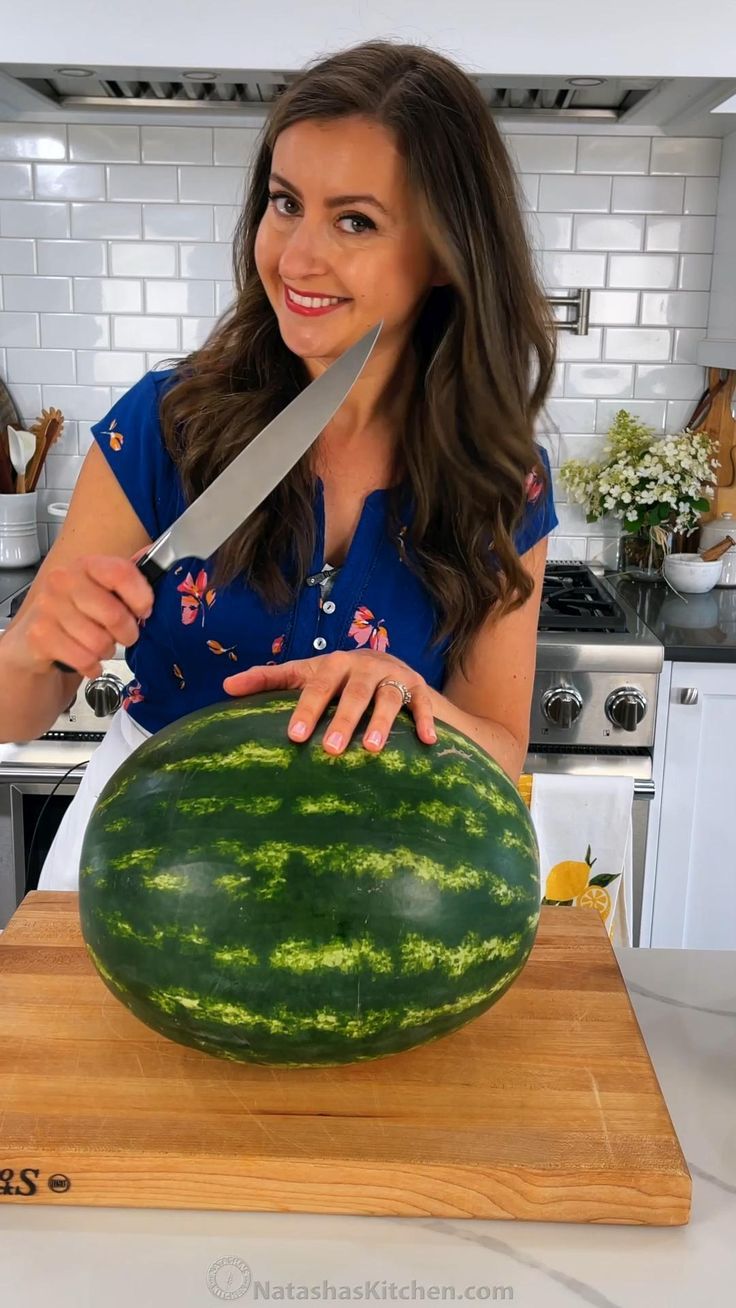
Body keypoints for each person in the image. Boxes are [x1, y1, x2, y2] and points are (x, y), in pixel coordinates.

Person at [0, 40, 558, 892]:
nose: (295, 258)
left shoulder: (500, 481)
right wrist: (28, 652)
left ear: (446, 252)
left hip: (370, 886)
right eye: (285, 203)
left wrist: (412, 697)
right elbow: (20, 708)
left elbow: (502, 750)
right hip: (145, 859)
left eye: (355, 220)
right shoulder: (168, 425)